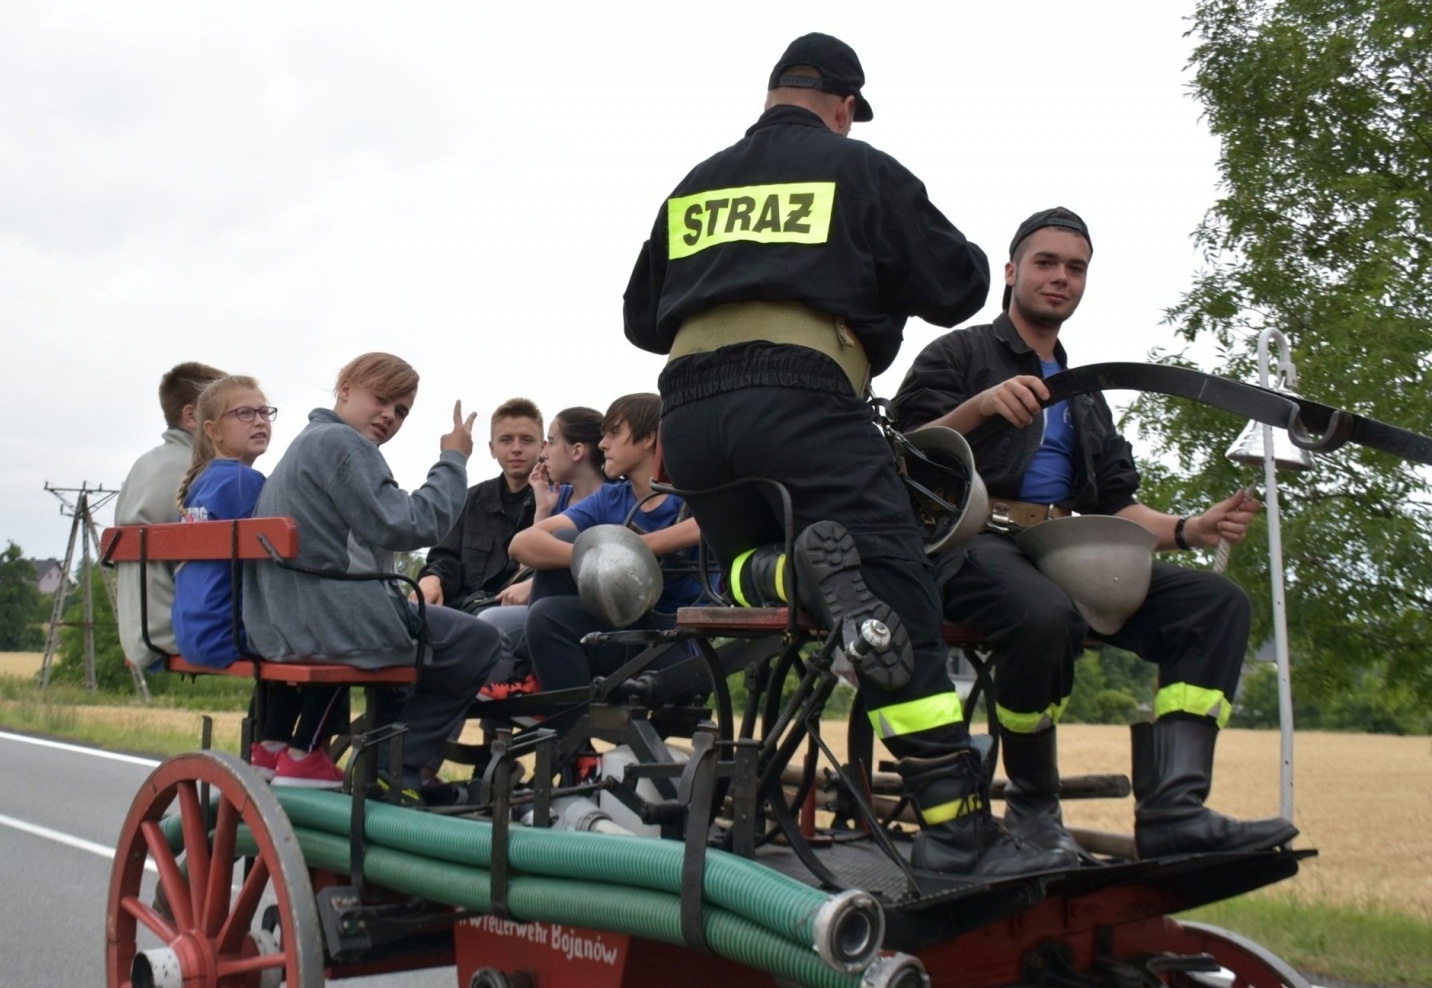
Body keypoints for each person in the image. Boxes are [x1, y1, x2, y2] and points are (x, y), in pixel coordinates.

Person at [623, 32, 1067, 877]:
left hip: (689, 414)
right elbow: (961, 284)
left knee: (735, 569)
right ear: (844, 106)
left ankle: (795, 572)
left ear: (772, 94)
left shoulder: (695, 184)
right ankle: (956, 830)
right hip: (801, 398)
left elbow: (642, 320)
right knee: (891, 576)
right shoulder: (857, 168)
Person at [891, 206, 1299, 859]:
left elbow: (1118, 509)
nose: (1061, 277)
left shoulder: (1084, 394)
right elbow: (902, 454)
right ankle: (1033, 806)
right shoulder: (958, 355)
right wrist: (981, 407)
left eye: (1075, 268)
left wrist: (1191, 528)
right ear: (1012, 271)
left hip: (1062, 551)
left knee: (1215, 606)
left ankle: (1174, 810)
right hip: (966, 547)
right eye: (1046, 263)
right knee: (1043, 612)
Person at [243, 353, 501, 796]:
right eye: (381, 399)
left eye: (401, 411)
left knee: (420, 632)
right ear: (345, 390)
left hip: (287, 614)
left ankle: (281, 747)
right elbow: (411, 524)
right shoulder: (344, 446)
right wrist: (454, 459)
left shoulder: (307, 443)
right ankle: (396, 762)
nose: (389, 416)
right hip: (333, 617)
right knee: (478, 639)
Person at [168, 375, 348, 786]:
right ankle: (304, 753)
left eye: (265, 412)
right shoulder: (243, 482)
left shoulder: (203, 483)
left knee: (293, 632)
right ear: (212, 430)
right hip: (230, 633)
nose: (260, 421)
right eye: (244, 413)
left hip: (196, 631)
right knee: (340, 640)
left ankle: (269, 747)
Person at [508, 394, 702, 728]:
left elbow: (709, 523)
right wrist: (595, 557)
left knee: (550, 604)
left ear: (648, 439)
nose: (602, 444)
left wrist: (638, 548)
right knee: (563, 551)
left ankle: (550, 706)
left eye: (614, 433)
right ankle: (568, 734)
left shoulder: (690, 495)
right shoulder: (612, 496)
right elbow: (522, 544)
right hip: (622, 622)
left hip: (671, 640)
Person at [479, 405, 610, 699]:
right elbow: (528, 561)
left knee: (494, 624)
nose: (543, 452)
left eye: (550, 441)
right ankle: (512, 706)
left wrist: (531, 585)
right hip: (547, 601)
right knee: (487, 622)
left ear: (577, 451)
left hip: (581, 608)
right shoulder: (558, 496)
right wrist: (543, 508)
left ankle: (531, 691)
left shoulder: (611, 498)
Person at [114, 361, 225, 669]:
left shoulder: (142, 466)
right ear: (192, 417)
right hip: (178, 635)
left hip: (139, 635)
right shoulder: (201, 471)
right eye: (230, 411)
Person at [417, 398, 545, 614]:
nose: (516, 449)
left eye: (526, 440)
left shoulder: (556, 499)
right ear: (492, 448)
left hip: (514, 614)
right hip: (462, 611)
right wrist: (433, 577)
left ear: (543, 447)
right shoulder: (470, 500)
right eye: (506, 440)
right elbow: (445, 558)